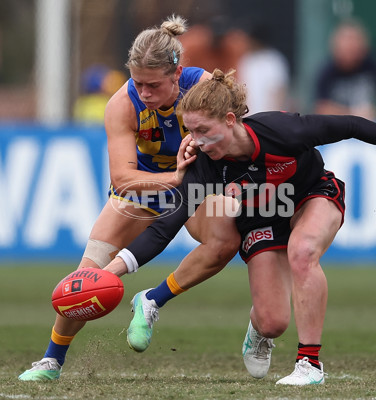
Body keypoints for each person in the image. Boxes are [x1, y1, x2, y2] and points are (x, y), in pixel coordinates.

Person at [103, 69, 376, 385]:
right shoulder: (202, 166)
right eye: (191, 132)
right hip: (263, 217)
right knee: (274, 321)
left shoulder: (281, 130)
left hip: (311, 194)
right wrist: (110, 272)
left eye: (204, 131)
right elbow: (165, 228)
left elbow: (349, 124)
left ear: (230, 121)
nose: (198, 142)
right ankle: (258, 330)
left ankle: (309, 364)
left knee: (303, 252)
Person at [18, 16, 240, 382]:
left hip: (196, 190)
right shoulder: (122, 104)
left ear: (177, 74)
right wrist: (176, 177)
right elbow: (123, 178)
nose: (144, 92)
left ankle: (152, 299)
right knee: (85, 278)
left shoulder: (206, 89)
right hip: (141, 192)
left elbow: (237, 134)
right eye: (138, 82)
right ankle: (51, 360)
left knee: (228, 239)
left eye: (153, 85)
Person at [314, 19, 376, 131]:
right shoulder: (327, 70)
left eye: (355, 43)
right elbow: (322, 109)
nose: (351, 49)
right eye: (347, 44)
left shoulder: (371, 64)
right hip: (338, 133)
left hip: (369, 130)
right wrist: (354, 115)